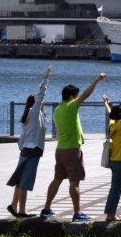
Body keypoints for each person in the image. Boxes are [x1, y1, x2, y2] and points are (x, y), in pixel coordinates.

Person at [41, 72, 107, 222]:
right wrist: (97, 79)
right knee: (74, 181)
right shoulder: (71, 106)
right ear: (71, 96)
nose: (78, 98)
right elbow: (86, 94)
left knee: (57, 179)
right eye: (76, 95)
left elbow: (58, 132)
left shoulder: (57, 109)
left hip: (60, 149)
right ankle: (77, 213)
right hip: (72, 150)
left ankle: (46, 208)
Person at [6, 66, 52, 218]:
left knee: (20, 179)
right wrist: (46, 76)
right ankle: (22, 210)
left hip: (26, 150)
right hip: (33, 150)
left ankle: (14, 205)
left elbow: (22, 138)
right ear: (37, 103)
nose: (43, 103)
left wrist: (22, 147)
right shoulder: (34, 113)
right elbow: (41, 93)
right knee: (25, 181)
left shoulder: (30, 116)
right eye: (41, 102)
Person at [101, 90, 121, 222]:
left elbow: (109, 112)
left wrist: (106, 103)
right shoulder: (119, 126)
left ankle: (110, 212)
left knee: (114, 187)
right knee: (117, 188)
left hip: (114, 160)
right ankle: (111, 214)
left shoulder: (112, 124)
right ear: (120, 116)